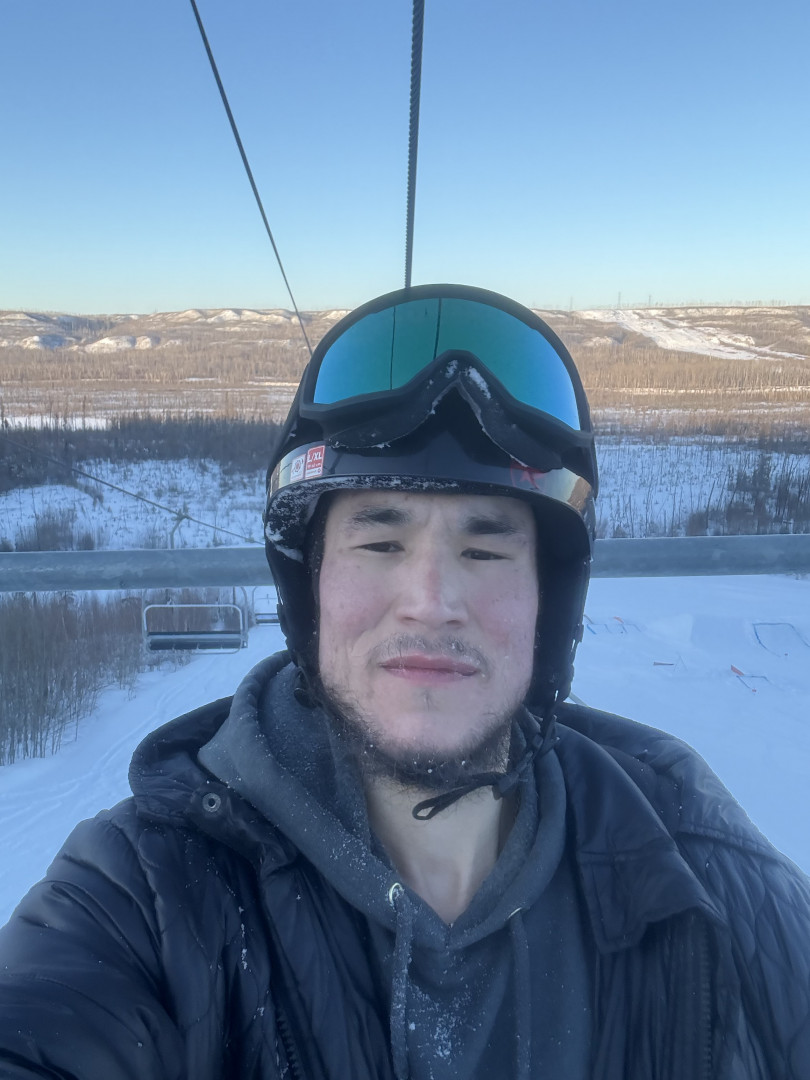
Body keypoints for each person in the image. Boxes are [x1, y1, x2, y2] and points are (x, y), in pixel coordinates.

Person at [1, 283, 809, 1080]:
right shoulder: (146, 895)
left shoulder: (697, 870)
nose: (431, 601)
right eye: (380, 544)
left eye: (484, 550)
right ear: (311, 587)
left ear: (549, 601)